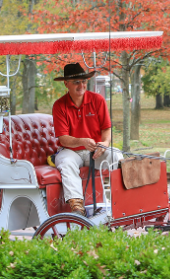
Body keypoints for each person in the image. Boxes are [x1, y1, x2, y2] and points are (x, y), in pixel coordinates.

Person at [52, 63, 123, 216]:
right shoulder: (59, 105)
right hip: (71, 151)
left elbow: (106, 128)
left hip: (95, 150)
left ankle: (122, 202)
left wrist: (104, 144)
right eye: (76, 81)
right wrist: (82, 141)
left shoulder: (97, 100)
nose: (81, 85)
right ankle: (77, 208)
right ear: (66, 83)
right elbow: (63, 139)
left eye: (84, 81)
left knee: (116, 156)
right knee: (66, 162)